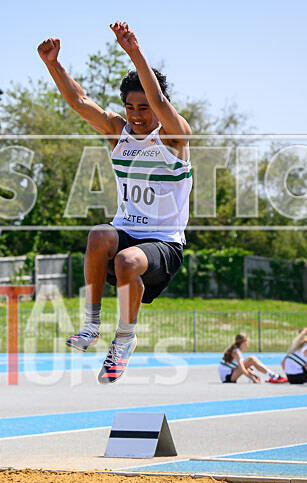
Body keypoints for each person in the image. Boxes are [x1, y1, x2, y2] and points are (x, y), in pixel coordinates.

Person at [39, 21, 192, 384]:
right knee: (98, 236)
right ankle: (91, 324)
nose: (137, 115)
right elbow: (79, 102)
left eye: (144, 108)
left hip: (164, 243)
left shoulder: (175, 138)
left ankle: (124, 338)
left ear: (158, 107)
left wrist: (134, 52)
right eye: (130, 107)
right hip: (126, 232)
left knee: (127, 261)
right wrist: (53, 64)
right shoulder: (117, 133)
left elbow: (160, 102)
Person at [219, 333, 285, 384]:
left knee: (251, 359)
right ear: (243, 343)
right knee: (251, 358)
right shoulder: (237, 352)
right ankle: (274, 376)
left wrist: (254, 375)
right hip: (228, 377)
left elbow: (244, 366)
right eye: (247, 343)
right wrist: (252, 378)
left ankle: (274, 375)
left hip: (229, 375)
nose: (248, 345)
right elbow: (242, 369)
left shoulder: (235, 349)